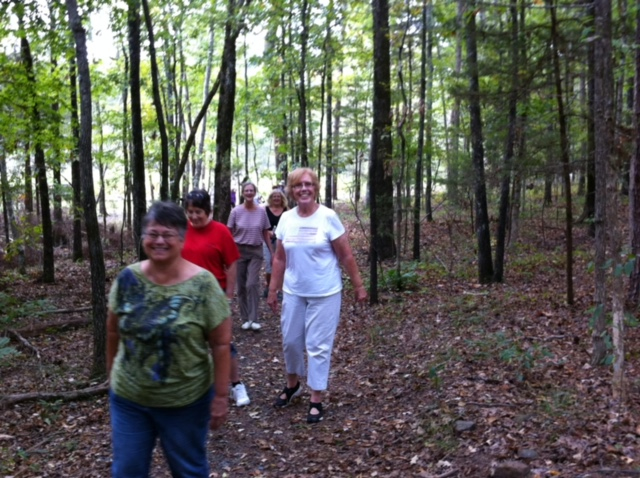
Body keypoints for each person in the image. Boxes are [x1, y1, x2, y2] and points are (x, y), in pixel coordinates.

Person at [106, 201, 231, 477]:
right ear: (143, 238)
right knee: (127, 471)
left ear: (182, 239)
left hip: (186, 401)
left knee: (189, 471)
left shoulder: (203, 285)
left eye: (167, 234)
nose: (159, 241)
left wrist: (221, 396)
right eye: (152, 234)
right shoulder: (127, 279)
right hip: (130, 399)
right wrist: (111, 375)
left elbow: (221, 344)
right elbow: (113, 331)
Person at [267, 168, 367, 424]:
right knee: (291, 341)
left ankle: (316, 397)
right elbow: (279, 258)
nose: (304, 189)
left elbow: (345, 255)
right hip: (293, 291)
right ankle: (292, 385)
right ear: (291, 190)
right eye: (298, 185)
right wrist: (273, 289)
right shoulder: (286, 219)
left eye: (308, 184)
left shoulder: (328, 217)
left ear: (316, 188)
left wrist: (358, 286)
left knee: (318, 346)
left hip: (325, 292)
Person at [182, 189, 250, 407]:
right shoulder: (180, 231)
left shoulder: (220, 232)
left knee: (223, 343)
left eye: (198, 212)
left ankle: (236, 385)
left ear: (208, 211)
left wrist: (229, 295)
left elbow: (232, 264)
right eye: (190, 212)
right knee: (189, 343)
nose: (194, 216)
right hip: (185, 297)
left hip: (215, 295)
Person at [227, 181, 273, 331]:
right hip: (239, 250)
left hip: (255, 250)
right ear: (242, 193)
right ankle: (245, 318)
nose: (248, 193)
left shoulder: (261, 211)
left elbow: (265, 232)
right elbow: (229, 232)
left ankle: (254, 319)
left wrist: (271, 252)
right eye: (246, 190)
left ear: (255, 192)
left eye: (251, 190)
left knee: (251, 283)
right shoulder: (236, 211)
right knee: (241, 286)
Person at [262, 188, 288, 298]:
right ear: (271, 198)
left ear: (282, 198)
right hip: (267, 240)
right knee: (269, 264)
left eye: (278, 196)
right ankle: (268, 286)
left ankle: (280, 289)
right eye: (274, 196)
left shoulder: (286, 210)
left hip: (282, 241)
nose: (276, 198)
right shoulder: (265, 210)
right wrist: (268, 232)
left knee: (281, 264)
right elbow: (262, 226)